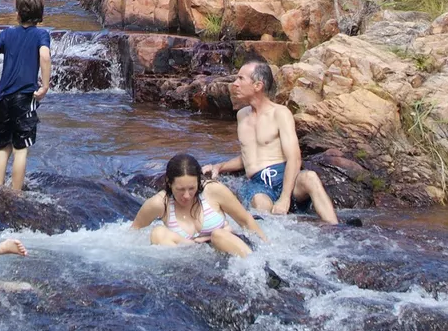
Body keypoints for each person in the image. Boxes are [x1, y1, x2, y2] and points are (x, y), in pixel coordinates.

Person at [202, 62, 339, 224]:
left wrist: (284, 199)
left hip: (284, 178)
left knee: (310, 177)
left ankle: (336, 228)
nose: (235, 84)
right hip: (258, 184)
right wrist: (219, 167)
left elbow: (294, 158)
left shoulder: (280, 113)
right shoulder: (241, 115)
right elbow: (248, 154)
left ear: (258, 85)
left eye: (240, 79)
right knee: (261, 203)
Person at [131, 153, 268, 258]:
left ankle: (260, 269)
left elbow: (246, 221)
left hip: (230, 250)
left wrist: (267, 249)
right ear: (169, 183)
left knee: (219, 235)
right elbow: (132, 234)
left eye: (191, 188)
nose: (186, 195)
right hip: (191, 258)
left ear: (199, 181)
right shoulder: (158, 203)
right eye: (180, 189)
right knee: (158, 233)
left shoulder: (214, 190)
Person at [0, 0, 51, 191]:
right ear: (41, 15)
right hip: (23, 99)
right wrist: (44, 86)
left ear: (18, 14)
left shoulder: (7, 34)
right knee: (21, 150)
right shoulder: (41, 34)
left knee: (3, 147)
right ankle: (16, 193)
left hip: (1, 99)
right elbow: (44, 57)